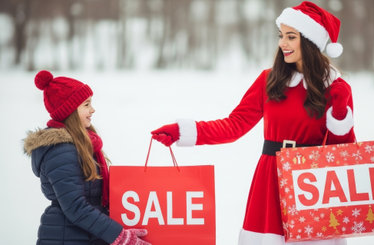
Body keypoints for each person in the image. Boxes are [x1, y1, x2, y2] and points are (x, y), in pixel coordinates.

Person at [152, 1, 355, 245]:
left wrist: (341, 112)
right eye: (281, 36)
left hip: (312, 183)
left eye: (291, 37)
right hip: (270, 179)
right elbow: (234, 124)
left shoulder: (334, 87)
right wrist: (183, 131)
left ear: (311, 42)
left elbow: (344, 154)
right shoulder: (269, 80)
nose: (282, 43)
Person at [24, 70, 151, 245]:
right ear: (70, 110)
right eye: (86, 104)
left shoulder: (82, 144)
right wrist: (119, 236)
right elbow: (75, 207)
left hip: (83, 235)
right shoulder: (61, 151)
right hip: (67, 237)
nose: (92, 109)